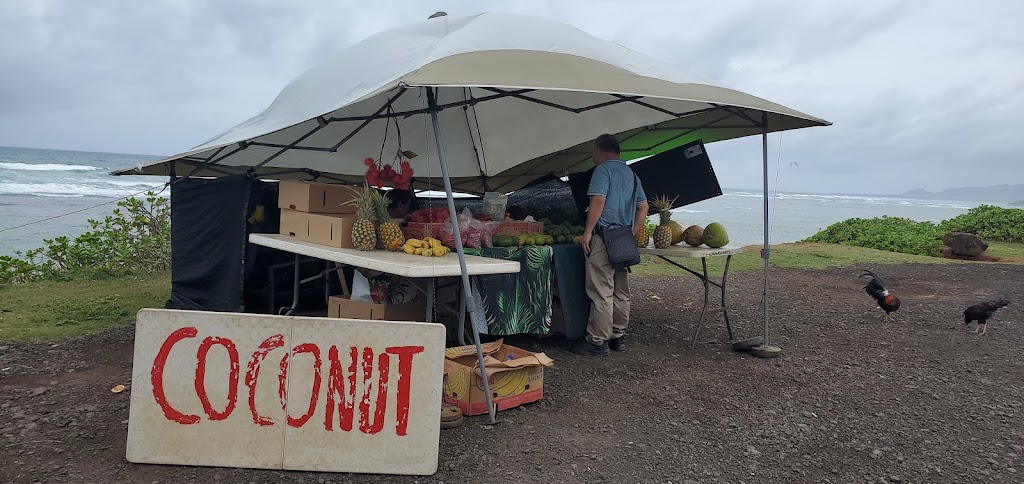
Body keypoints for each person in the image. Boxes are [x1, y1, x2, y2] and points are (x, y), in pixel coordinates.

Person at [573, 134, 648, 356]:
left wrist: (587, 232)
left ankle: (598, 341)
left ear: (600, 150)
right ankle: (618, 336)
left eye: (593, 151)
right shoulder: (632, 175)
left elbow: (598, 200)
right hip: (624, 237)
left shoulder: (603, 171)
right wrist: (631, 231)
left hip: (604, 236)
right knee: (621, 289)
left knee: (601, 289)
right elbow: (643, 207)